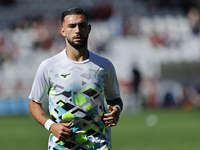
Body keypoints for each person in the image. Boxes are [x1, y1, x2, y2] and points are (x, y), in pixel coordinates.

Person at [28, 7, 123, 150]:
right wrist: (51, 125)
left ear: (89, 28)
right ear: (62, 31)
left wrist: (116, 110)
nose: (77, 30)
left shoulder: (105, 66)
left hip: (98, 144)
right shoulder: (49, 66)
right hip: (62, 146)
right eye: (72, 26)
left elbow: (115, 99)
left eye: (82, 25)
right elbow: (33, 104)